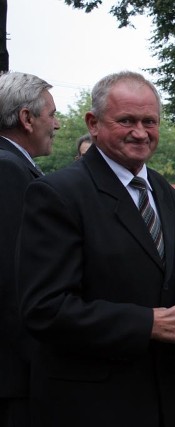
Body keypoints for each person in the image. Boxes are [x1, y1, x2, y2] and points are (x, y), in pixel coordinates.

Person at [17, 71, 175, 426]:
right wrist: (146, 323)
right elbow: (44, 308)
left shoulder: (164, 193)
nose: (140, 132)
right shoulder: (58, 194)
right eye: (126, 121)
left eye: (149, 121)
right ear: (93, 123)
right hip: (89, 404)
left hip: (161, 400)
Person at [0, 72, 59, 427]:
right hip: (13, 371)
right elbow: (14, 277)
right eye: (51, 114)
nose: (56, 124)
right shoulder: (9, 171)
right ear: (26, 118)